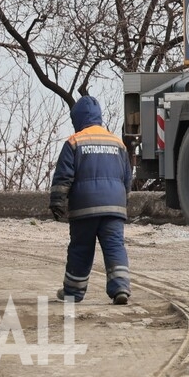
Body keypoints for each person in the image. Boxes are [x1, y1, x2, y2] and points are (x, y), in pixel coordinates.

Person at [49, 95, 133, 305]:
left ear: (77, 118)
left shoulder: (74, 142)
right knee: (115, 246)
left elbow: (63, 177)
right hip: (114, 207)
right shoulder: (117, 143)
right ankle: (120, 287)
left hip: (84, 207)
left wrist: (57, 201)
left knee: (81, 248)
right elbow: (127, 178)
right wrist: (124, 201)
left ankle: (73, 292)